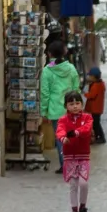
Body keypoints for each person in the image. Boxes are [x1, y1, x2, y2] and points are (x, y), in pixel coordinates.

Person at [39, 40, 80, 173]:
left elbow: (45, 93)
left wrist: (44, 111)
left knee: (61, 139)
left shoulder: (47, 71)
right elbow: (76, 89)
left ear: (50, 54)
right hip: (70, 109)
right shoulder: (71, 68)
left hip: (55, 110)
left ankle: (65, 165)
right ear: (64, 52)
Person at [57, 91, 95, 212]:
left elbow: (87, 129)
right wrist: (63, 139)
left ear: (82, 104)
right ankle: (74, 211)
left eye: (77, 103)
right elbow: (60, 131)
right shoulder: (63, 120)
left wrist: (77, 132)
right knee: (73, 184)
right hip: (70, 157)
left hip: (83, 155)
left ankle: (83, 207)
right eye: (71, 103)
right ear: (66, 106)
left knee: (83, 183)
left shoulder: (87, 118)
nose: (75, 106)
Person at [84, 67, 107, 145]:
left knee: (96, 124)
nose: (89, 77)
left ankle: (101, 137)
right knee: (95, 123)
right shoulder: (100, 84)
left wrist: (84, 94)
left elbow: (91, 95)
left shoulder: (96, 86)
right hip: (97, 108)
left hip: (95, 109)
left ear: (94, 77)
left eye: (90, 76)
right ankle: (97, 137)